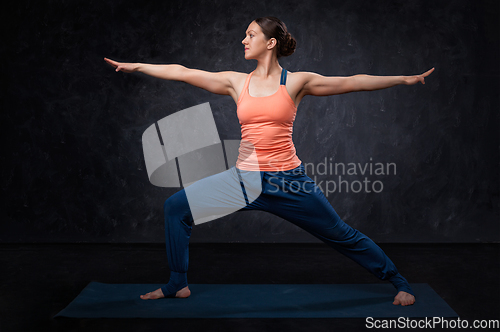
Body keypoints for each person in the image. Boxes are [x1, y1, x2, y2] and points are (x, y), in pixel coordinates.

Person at [105, 16, 434, 307]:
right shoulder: (237, 82)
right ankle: (178, 284)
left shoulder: (295, 82)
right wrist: (136, 67)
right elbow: (184, 73)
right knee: (176, 208)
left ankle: (399, 282)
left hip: (287, 181)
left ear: (270, 42)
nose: (243, 40)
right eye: (245, 35)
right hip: (242, 181)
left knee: (342, 235)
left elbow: (351, 81)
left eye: (250, 35)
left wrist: (402, 79)